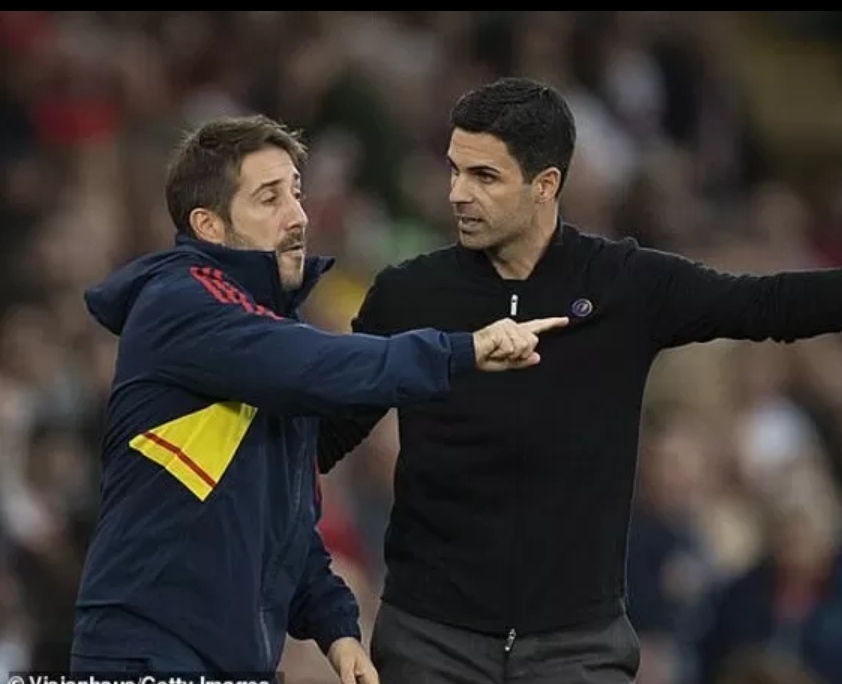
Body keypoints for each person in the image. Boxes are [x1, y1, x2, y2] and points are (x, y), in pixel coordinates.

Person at [317, 77, 842, 684]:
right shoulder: (408, 295)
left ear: (545, 185)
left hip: (576, 649)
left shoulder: (624, 285)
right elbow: (328, 433)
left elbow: (766, 305)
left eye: (484, 176)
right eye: (453, 170)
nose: (457, 194)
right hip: (431, 641)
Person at [69, 114, 566, 680]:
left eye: (296, 193)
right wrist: (459, 350)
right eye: (269, 198)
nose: (298, 216)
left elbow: (287, 527)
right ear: (209, 225)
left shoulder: (268, 340)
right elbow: (321, 364)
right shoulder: (181, 301)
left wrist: (337, 632)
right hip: (145, 658)